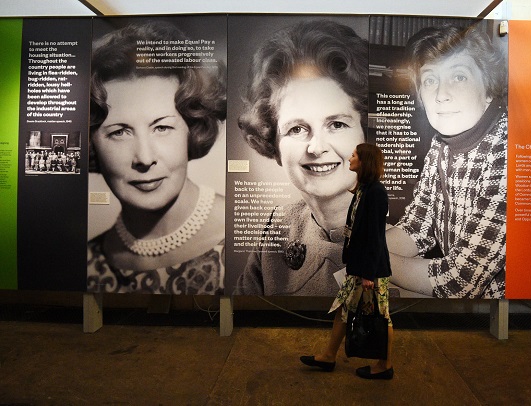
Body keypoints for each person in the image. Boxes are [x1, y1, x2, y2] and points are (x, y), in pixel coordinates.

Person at [86, 21, 227, 294]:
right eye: (119, 132)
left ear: (192, 129)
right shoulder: (88, 262)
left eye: (161, 128)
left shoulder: (247, 239)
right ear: (92, 144)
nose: (145, 157)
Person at [235, 20, 368, 296]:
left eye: (337, 124)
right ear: (273, 142)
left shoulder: (410, 232)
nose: (316, 148)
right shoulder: (279, 228)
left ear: (366, 133)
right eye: (296, 129)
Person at [387, 24, 508, 299]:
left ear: (489, 89)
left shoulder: (507, 151)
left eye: (459, 77)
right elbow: (417, 226)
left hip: (507, 316)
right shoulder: (442, 143)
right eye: (430, 80)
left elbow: (460, 281)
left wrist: (371, 258)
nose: (442, 95)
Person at [301, 143, 394, 380]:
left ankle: (385, 365)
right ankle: (328, 356)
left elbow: (375, 236)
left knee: (381, 316)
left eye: (354, 155)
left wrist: (368, 274)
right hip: (358, 267)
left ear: (364, 161)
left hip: (370, 270)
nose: (349, 158)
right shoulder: (362, 190)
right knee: (343, 309)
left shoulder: (376, 192)